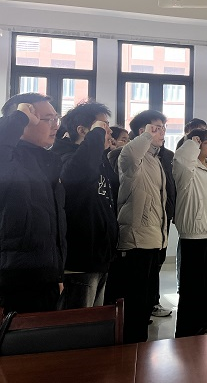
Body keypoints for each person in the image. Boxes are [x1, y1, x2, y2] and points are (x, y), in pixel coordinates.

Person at [0, 93, 66, 313]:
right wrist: (19, 116)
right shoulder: (9, 160)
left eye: (56, 118)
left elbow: (54, 226)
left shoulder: (45, 162)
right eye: (47, 119)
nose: (55, 125)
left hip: (45, 277)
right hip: (13, 279)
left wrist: (56, 274)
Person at [51, 101, 118, 309]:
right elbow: (78, 173)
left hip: (99, 255)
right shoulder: (64, 157)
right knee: (79, 321)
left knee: (96, 320)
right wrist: (96, 136)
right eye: (103, 126)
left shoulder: (98, 158)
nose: (108, 132)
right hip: (79, 258)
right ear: (82, 130)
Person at [112, 110, 169, 343]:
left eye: (163, 127)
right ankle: (130, 351)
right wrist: (147, 135)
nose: (161, 132)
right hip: (136, 238)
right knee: (135, 301)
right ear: (142, 132)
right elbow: (131, 154)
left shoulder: (155, 159)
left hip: (153, 236)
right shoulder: (130, 155)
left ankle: (140, 349)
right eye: (156, 128)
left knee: (145, 302)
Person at [173, 129, 207, 337]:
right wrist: (191, 143)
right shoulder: (187, 167)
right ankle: (188, 329)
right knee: (192, 286)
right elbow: (182, 160)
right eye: (205, 142)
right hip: (193, 233)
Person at [174, 118, 207, 294]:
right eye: (197, 131)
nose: (200, 137)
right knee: (186, 248)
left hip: (204, 210)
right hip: (187, 206)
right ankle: (182, 283)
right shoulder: (183, 149)